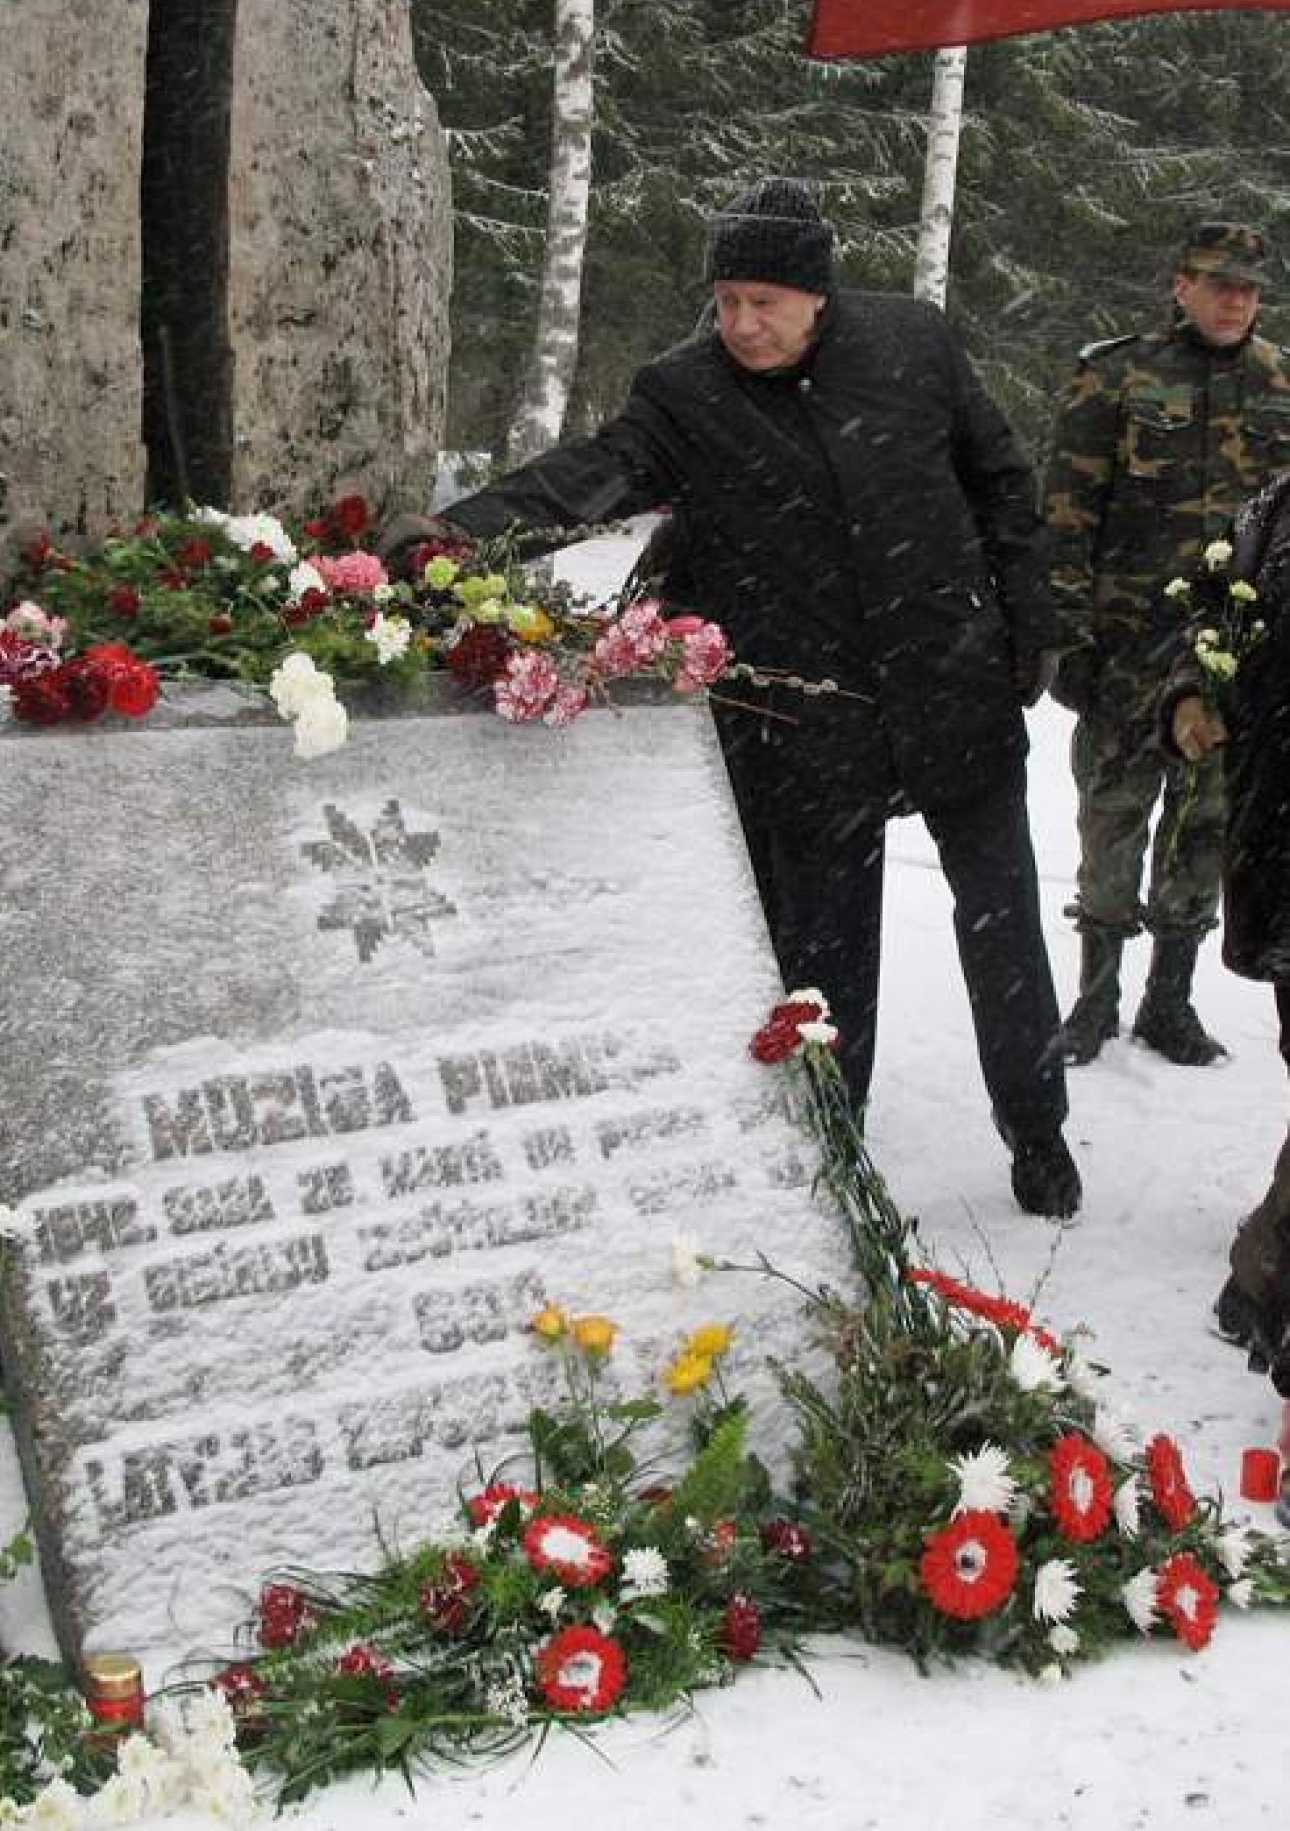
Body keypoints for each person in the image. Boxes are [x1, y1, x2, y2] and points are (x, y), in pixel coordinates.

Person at [393, 176, 1079, 1217]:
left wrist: (1027, 625)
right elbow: (594, 472)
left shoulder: (911, 347)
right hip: (808, 717)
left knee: (1000, 924)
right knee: (821, 952)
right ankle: (827, 1143)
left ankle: (1034, 1128)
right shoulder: (685, 392)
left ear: (816, 296)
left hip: (951, 687)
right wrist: (454, 536)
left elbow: (998, 481)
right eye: (724, 302)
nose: (741, 324)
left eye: (762, 301)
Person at [1044, 219, 1290, 1068]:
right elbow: (1067, 517)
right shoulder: (1114, 376)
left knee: (1204, 831)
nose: (1233, 301)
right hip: (1127, 652)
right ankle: (1094, 997)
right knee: (1110, 822)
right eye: (1217, 283)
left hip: (1232, 661)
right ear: (1178, 284)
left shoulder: (1281, 385)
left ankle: (1169, 1002)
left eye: (1249, 289)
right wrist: (1068, 637)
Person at [1164, 469, 1290, 1388]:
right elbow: (1212, 619)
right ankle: (1264, 1278)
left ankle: (1264, 1279)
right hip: (1281, 829)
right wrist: (1187, 697)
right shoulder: (1274, 508)